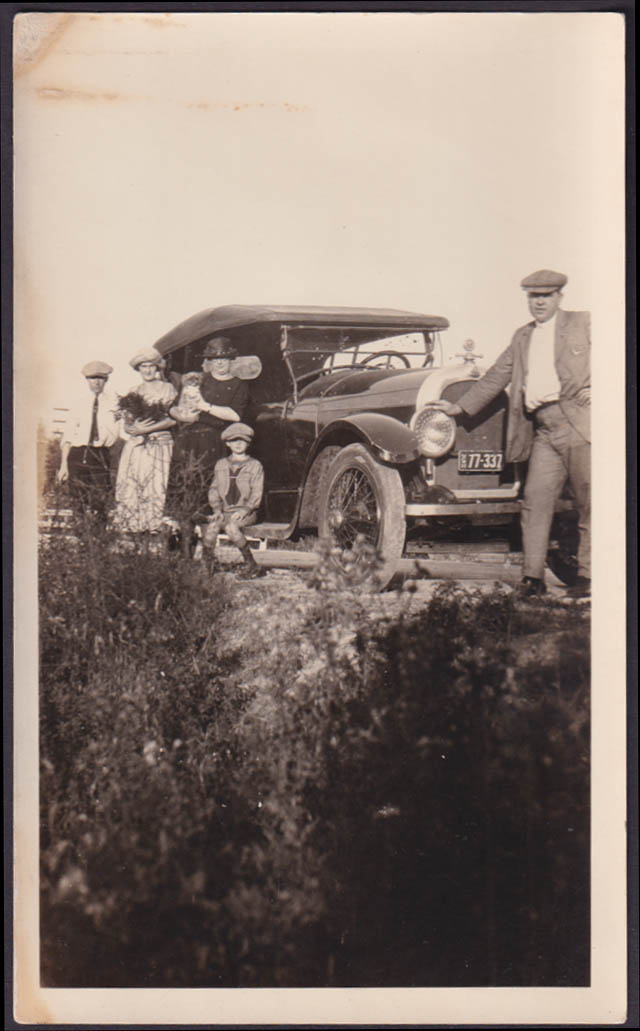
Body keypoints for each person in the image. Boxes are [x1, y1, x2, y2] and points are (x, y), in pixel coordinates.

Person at [433, 269, 591, 599]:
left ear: (559, 297)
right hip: (543, 430)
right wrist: (458, 408)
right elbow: (495, 377)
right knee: (535, 501)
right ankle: (532, 579)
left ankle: (587, 578)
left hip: (579, 424)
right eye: (534, 297)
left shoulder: (583, 323)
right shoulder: (522, 337)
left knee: (589, 502)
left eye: (546, 296)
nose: (540, 303)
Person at [167, 336, 250, 539]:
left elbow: (235, 415)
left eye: (224, 358)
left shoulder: (239, 385)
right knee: (184, 495)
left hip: (215, 442)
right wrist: (180, 413)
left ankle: (206, 556)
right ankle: (180, 555)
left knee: (208, 498)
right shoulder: (197, 380)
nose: (219, 362)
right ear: (209, 361)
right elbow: (175, 408)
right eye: (214, 358)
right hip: (188, 442)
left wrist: (205, 407)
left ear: (232, 360)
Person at [112, 347, 177, 537]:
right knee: (133, 484)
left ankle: (154, 529)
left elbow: (174, 419)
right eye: (143, 367)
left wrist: (148, 429)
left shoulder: (168, 388)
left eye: (151, 366)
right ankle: (133, 529)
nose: (147, 371)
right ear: (138, 370)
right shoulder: (134, 391)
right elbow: (128, 425)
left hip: (159, 444)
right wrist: (132, 427)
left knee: (156, 484)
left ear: (157, 368)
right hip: (138, 446)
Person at [56, 361, 120, 524]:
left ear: (106, 380)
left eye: (100, 378)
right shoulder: (78, 403)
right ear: (87, 380)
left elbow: (117, 433)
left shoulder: (114, 403)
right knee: (78, 503)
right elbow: (68, 435)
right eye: (92, 378)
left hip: (100, 455)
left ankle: (100, 542)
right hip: (77, 455)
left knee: (101, 502)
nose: (96, 382)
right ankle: (82, 544)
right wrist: (64, 465)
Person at [202, 423, 266, 579]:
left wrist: (245, 510)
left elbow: (257, 492)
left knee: (231, 528)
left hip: (246, 512)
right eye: (234, 440)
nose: (238, 444)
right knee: (211, 528)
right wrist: (216, 510)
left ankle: (252, 565)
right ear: (227, 443)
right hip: (225, 511)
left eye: (242, 440)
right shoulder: (221, 465)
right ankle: (207, 566)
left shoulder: (255, 465)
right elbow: (214, 489)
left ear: (248, 443)